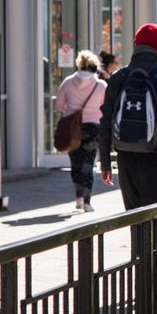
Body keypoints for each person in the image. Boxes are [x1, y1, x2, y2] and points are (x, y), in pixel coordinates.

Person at [98, 23, 157, 252]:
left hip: (126, 160)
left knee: (136, 223)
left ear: (136, 45)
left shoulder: (118, 77)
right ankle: (148, 275)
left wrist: (106, 164)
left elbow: (106, 121)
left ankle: (140, 275)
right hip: (155, 158)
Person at [55, 50, 107, 212]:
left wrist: (71, 110)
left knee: (75, 163)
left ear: (79, 64)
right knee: (88, 164)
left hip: (72, 128)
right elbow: (106, 107)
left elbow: (59, 106)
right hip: (93, 127)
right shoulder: (101, 85)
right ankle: (87, 201)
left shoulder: (68, 82)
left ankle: (77, 197)